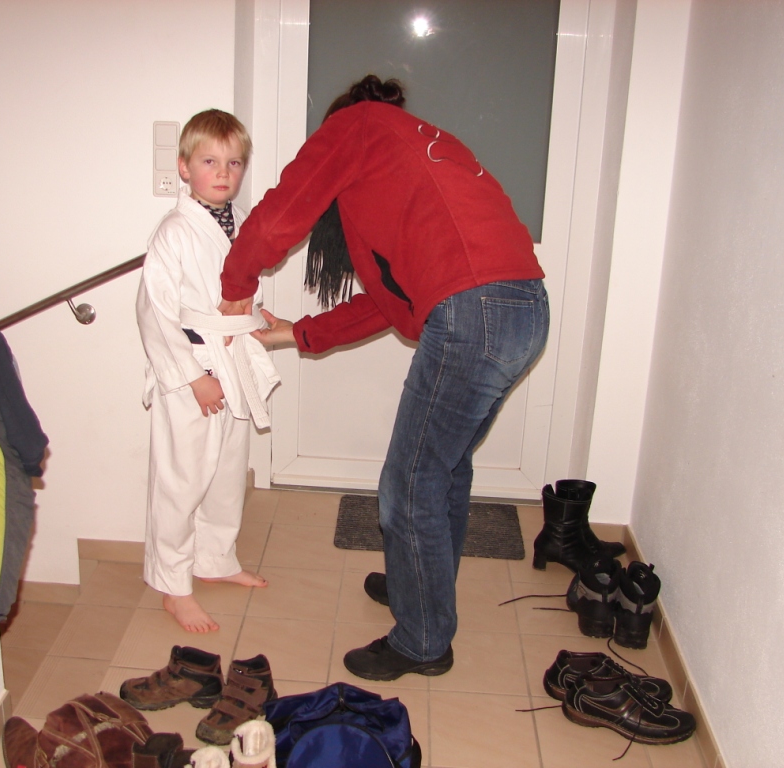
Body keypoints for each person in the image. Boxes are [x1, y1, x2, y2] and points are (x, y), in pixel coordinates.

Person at [219, 76, 549, 678]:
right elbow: (390, 302)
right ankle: (417, 589)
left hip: (474, 308)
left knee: (411, 480)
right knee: (446, 466)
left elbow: (277, 218)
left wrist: (236, 284)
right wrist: (298, 333)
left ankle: (422, 641)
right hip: (524, 310)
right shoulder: (419, 150)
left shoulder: (358, 126)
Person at [136, 109, 279, 633]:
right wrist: (192, 377)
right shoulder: (173, 231)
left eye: (234, 163)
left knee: (226, 470)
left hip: (233, 357)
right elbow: (153, 311)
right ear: (184, 167)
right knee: (183, 477)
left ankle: (215, 559)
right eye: (210, 161)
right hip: (192, 366)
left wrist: (256, 316)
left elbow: (239, 287)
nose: (223, 172)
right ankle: (173, 585)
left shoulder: (240, 220)